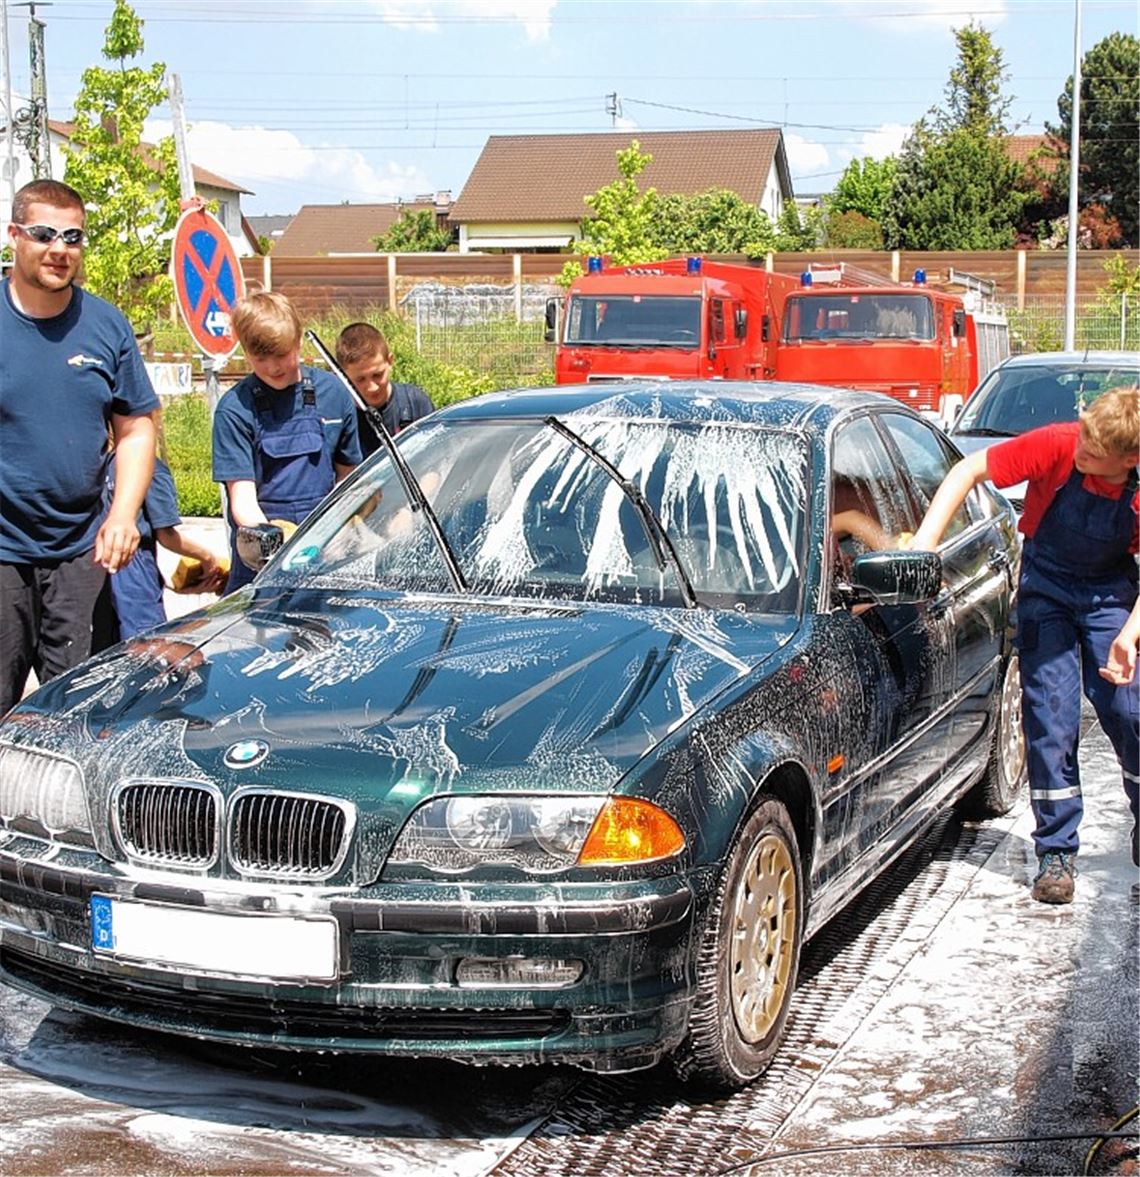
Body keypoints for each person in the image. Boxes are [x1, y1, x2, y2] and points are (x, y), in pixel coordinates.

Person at [909, 386, 1140, 902]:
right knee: (1050, 717)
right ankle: (1055, 851)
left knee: (1129, 709)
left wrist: (1129, 635)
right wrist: (923, 548)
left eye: (1093, 454)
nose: (1079, 453)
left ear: (1129, 460)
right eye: (1081, 441)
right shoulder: (1059, 444)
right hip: (1047, 589)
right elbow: (967, 472)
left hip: (1110, 594)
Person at [0, 179, 157, 715]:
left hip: (81, 550)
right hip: (3, 552)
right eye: (45, 234)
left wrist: (123, 515)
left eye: (73, 236)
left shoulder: (106, 325)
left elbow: (137, 427)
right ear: (14, 235)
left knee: (77, 712)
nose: (59, 249)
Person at [212, 291, 361, 591]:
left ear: (298, 342)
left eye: (281, 354)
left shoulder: (334, 394)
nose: (273, 367)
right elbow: (242, 502)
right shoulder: (235, 409)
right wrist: (278, 543)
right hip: (261, 564)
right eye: (260, 358)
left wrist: (343, 530)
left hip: (327, 557)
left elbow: (348, 481)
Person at [93, 428, 227, 648]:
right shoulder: (149, 468)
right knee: (147, 649)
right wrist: (207, 558)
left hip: (102, 565)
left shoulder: (105, 465)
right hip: (134, 566)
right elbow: (167, 536)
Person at [335, 322, 434, 456]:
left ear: (390, 361)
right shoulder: (338, 416)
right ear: (343, 375)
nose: (372, 387)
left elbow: (434, 459)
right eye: (360, 379)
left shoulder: (415, 403)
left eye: (377, 375)